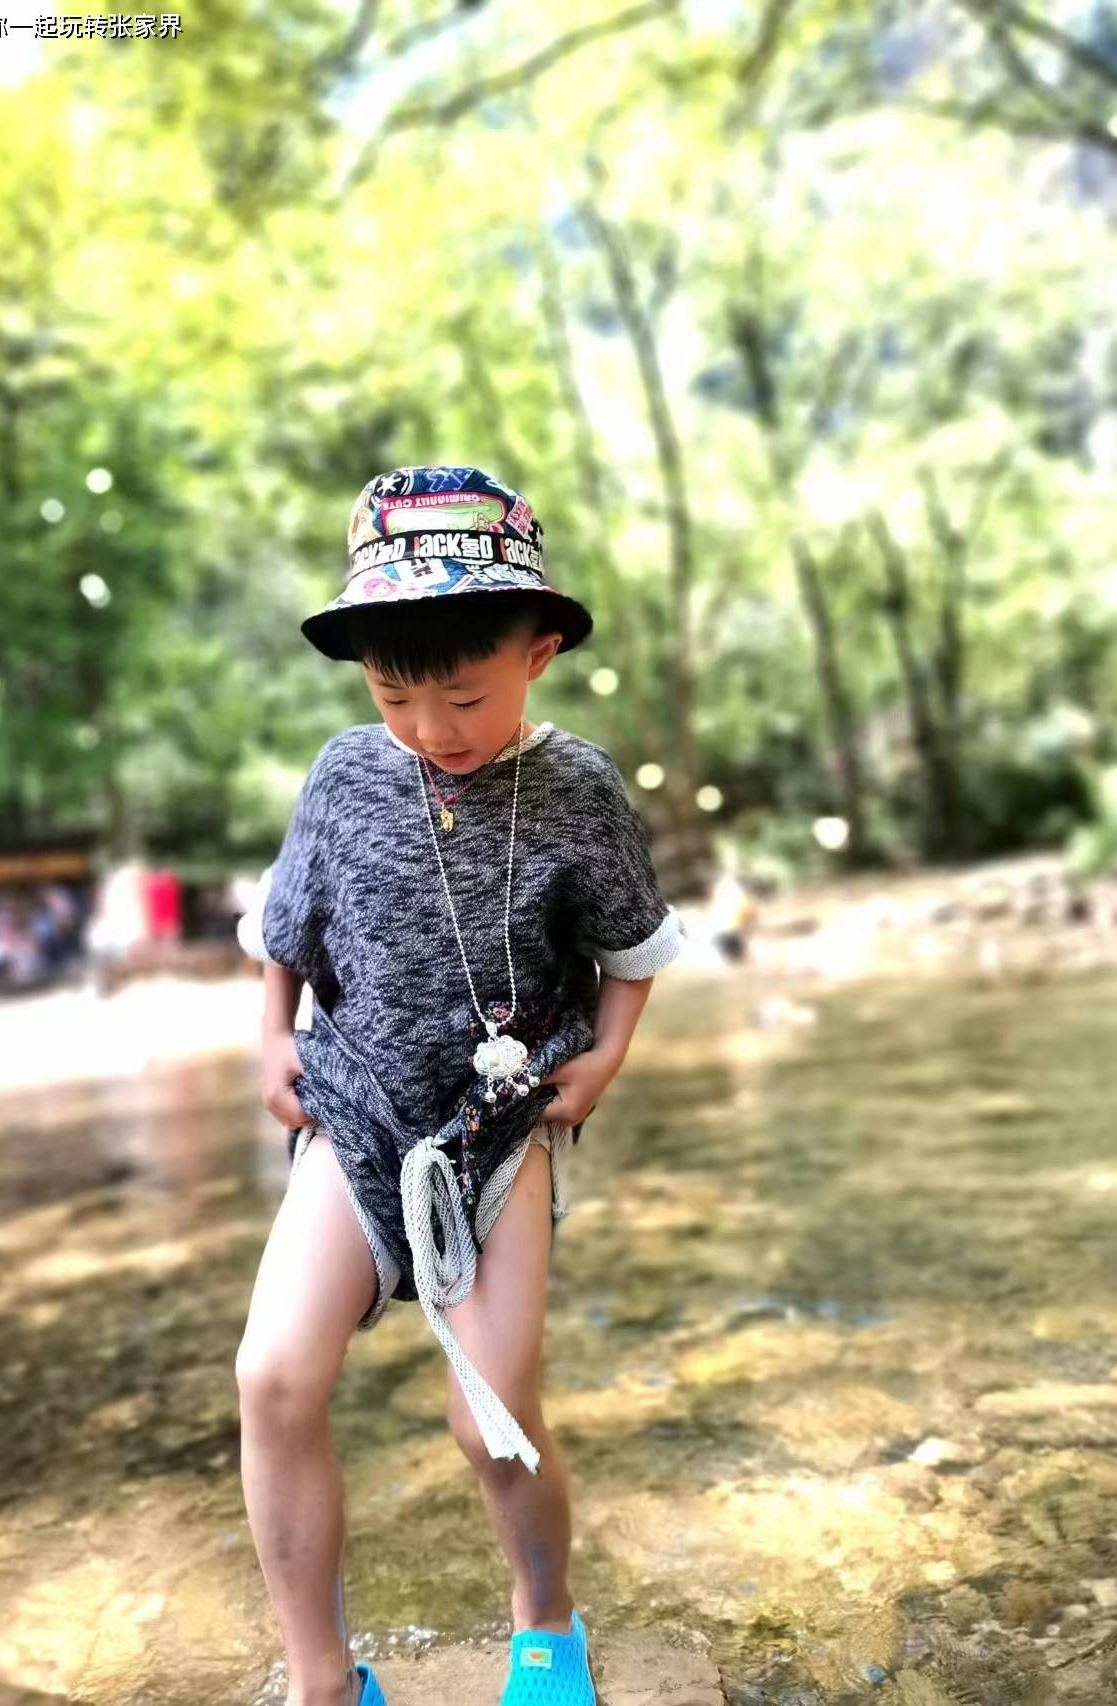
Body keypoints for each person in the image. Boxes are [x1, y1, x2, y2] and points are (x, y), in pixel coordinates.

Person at [234, 466, 686, 1706]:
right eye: (394, 694)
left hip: (498, 1123)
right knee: (273, 1374)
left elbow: (630, 945)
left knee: (487, 1415)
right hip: (357, 1108)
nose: (432, 726)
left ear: (537, 651)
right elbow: (285, 928)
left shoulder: (576, 788)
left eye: (465, 695)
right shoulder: (343, 775)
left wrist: (603, 1057)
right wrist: (271, 1037)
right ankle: (324, 1680)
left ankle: (544, 1623)